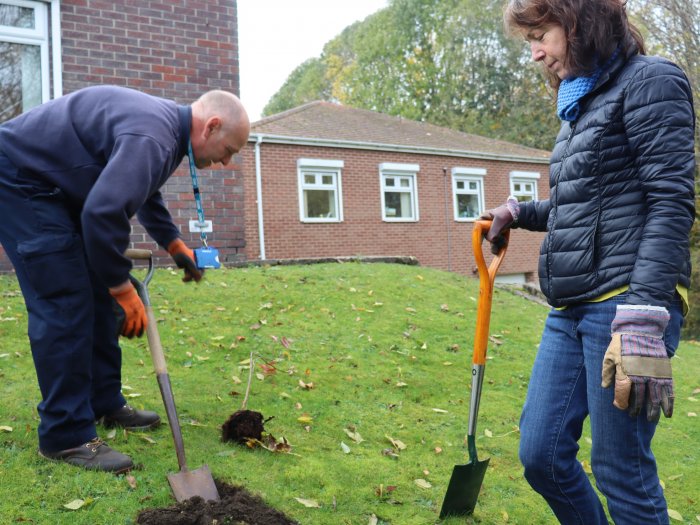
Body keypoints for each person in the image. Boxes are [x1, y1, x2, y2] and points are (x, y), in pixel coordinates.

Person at [480, 1, 695, 523]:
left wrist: (644, 314)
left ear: (581, 21)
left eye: (541, 34)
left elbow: (671, 200)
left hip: (628, 308)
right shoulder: (582, 102)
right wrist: (520, 211)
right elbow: (585, 202)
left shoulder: (652, 81)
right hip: (572, 307)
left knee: (621, 470)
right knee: (541, 456)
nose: (535, 53)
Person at [0, 86, 250, 473]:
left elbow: (143, 192)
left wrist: (174, 244)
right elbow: (102, 215)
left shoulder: (168, 134)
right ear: (212, 126)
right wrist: (121, 288)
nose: (226, 162)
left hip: (54, 190)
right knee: (66, 298)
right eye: (229, 150)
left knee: (99, 295)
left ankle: (103, 401)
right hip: (19, 181)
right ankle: (65, 436)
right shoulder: (155, 134)